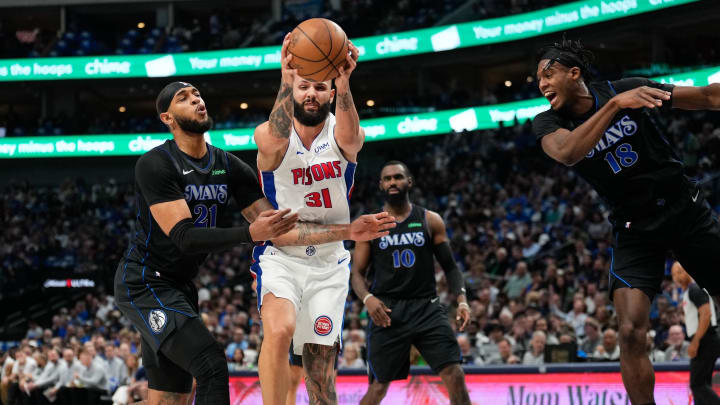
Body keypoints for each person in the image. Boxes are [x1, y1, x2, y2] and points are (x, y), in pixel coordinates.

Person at [115, 81, 389, 405]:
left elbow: (278, 229)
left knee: (170, 398)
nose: (197, 101)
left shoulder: (227, 164)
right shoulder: (156, 163)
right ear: (167, 118)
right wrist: (248, 234)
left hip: (180, 287)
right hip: (145, 282)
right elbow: (185, 238)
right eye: (184, 99)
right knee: (212, 365)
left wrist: (348, 231)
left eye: (198, 95)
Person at [532, 36, 720, 405]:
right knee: (630, 331)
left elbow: (708, 97)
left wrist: (620, 96)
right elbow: (569, 152)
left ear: (575, 73)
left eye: (548, 74)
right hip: (635, 230)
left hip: (684, 209)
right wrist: (617, 105)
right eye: (538, 80)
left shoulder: (630, 88)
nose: (541, 85)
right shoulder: (548, 122)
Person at [253, 33, 395, 405]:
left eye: (320, 86)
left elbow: (351, 138)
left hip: (329, 264)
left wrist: (345, 81)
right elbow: (282, 235)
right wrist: (286, 77)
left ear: (331, 94)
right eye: (303, 87)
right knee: (280, 330)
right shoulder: (271, 137)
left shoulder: (342, 132)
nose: (311, 93)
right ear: (292, 90)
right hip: (283, 258)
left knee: (320, 378)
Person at [351, 161, 471, 405]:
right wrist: (368, 298)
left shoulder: (430, 220)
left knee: (455, 373)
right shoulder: (370, 225)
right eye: (387, 179)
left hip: (426, 306)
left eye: (398, 177)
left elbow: (450, 266)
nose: (393, 182)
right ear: (381, 185)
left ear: (409, 182)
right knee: (378, 387)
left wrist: (462, 301)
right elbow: (356, 274)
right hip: (387, 310)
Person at [671, 261, 720, 404]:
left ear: (688, 272)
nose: (677, 277)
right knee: (703, 384)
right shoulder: (688, 292)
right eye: (674, 274)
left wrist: (695, 342)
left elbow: (706, 315)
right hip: (705, 339)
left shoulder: (694, 289)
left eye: (680, 272)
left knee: (697, 384)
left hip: (705, 339)